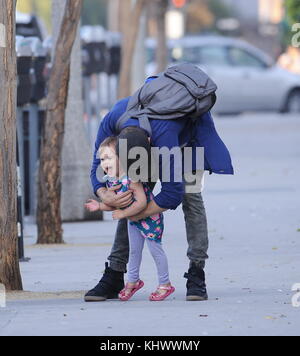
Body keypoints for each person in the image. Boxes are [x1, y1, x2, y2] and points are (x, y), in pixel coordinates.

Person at [84, 77, 234, 303]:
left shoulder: (164, 134)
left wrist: (134, 212)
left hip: (189, 141)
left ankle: (196, 272)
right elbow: (97, 164)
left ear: (150, 144)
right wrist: (103, 192)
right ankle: (115, 274)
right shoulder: (114, 118)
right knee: (129, 195)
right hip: (149, 138)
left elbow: (172, 193)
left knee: (191, 200)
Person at [85, 136, 175, 301]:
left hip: (149, 220)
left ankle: (165, 284)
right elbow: (117, 204)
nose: (104, 163)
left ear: (122, 158)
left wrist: (123, 214)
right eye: (102, 159)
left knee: (156, 252)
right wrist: (99, 206)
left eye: (109, 158)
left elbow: (141, 203)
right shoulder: (112, 182)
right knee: (134, 252)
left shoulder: (132, 179)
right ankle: (133, 281)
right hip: (133, 222)